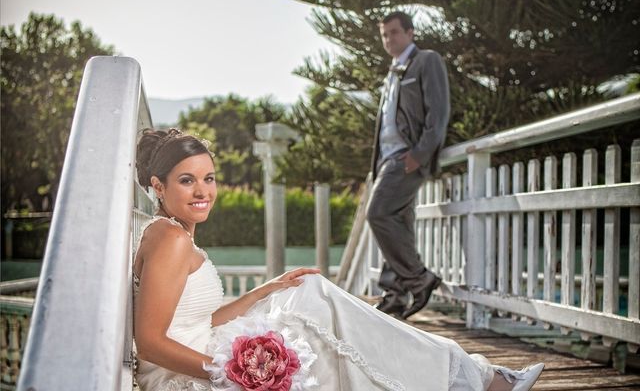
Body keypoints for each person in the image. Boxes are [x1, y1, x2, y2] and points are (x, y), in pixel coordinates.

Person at [133, 128, 544, 391]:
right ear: (158, 185)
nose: (203, 190)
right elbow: (150, 342)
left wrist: (266, 288)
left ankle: (467, 377)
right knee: (319, 308)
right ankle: (471, 378)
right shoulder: (171, 239)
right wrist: (234, 372)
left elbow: (193, 322)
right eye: (187, 180)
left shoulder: (171, 233)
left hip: (204, 357)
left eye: (209, 178)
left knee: (309, 297)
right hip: (189, 376)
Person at [367, 11, 450, 319]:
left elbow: (438, 112)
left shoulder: (426, 61)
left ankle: (419, 278)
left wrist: (420, 153)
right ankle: (394, 294)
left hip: (407, 157)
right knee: (396, 223)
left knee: (378, 214)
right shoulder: (393, 71)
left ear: (410, 33)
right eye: (384, 34)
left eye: (394, 33)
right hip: (388, 159)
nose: (389, 39)